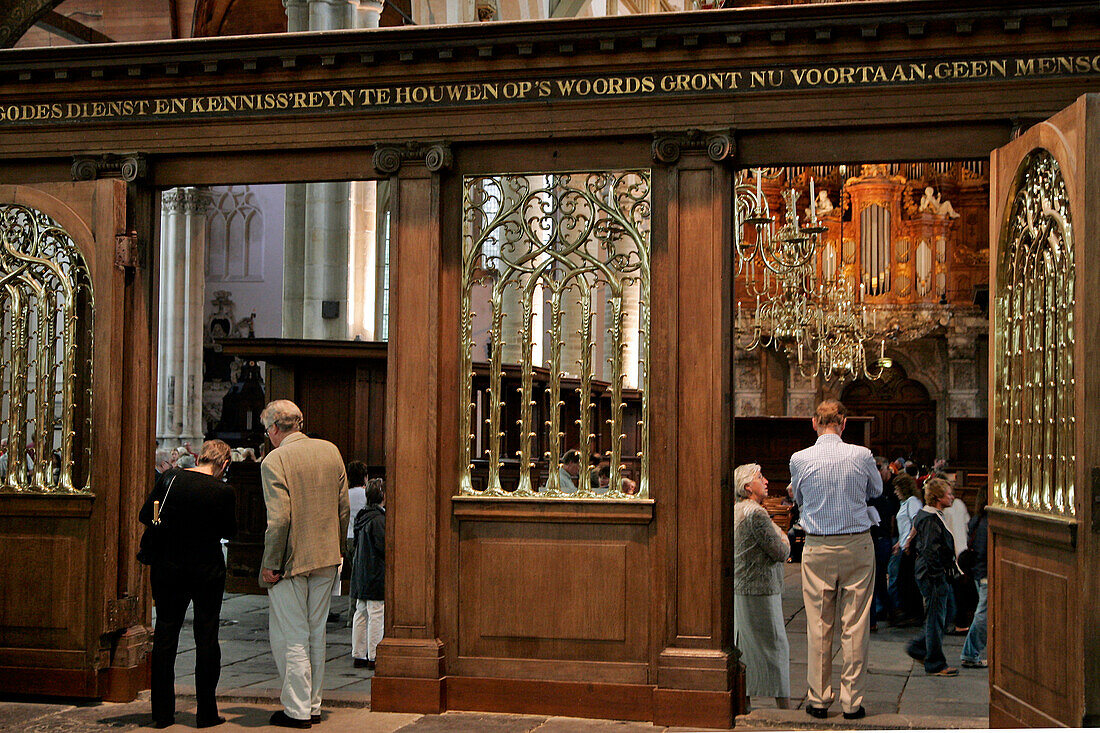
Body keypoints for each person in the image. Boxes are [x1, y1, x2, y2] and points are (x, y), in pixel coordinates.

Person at [259, 400, 350, 729]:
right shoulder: (330, 451)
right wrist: (338, 550)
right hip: (327, 557)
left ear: (273, 430)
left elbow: (279, 519)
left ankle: (296, 711)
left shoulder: (275, 459)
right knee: (316, 633)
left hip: (290, 560)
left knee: (292, 635)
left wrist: (271, 563)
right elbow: (343, 509)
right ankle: (312, 704)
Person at [790, 399, 882, 720]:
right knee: (855, 624)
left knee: (818, 624)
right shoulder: (861, 455)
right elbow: (877, 489)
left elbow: (798, 498)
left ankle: (818, 700)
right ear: (844, 424)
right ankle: (852, 703)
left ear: (814, 423)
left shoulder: (799, 459)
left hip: (817, 546)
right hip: (857, 544)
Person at [139, 439, 236, 729]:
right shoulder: (223, 491)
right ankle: (206, 713)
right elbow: (229, 530)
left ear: (201, 456)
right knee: (206, 637)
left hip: (167, 567)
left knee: (166, 635)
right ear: (225, 464)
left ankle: (162, 714)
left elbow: (147, 515)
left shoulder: (171, 479)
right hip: (206, 569)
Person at [733, 463, 791, 710]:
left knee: (745, 648)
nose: (766, 481)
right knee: (774, 647)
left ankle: (744, 701)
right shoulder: (755, 514)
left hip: (743, 588)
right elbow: (781, 551)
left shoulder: (737, 509)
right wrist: (785, 537)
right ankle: (784, 706)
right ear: (747, 486)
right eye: (760, 477)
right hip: (760, 591)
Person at [905, 477, 960, 677]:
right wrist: (937, 575)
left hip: (932, 574)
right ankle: (935, 662)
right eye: (948, 494)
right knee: (937, 618)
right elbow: (929, 550)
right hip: (932, 575)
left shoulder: (930, 515)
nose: (952, 497)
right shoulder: (930, 519)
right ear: (937, 498)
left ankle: (920, 648)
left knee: (944, 615)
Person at [350, 478, 385, 670]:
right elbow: (383, 547)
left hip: (361, 571)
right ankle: (374, 655)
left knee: (361, 612)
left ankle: (358, 654)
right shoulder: (379, 520)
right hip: (375, 572)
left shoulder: (362, 516)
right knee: (376, 613)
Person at [889, 472, 924, 625]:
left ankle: (914, 614)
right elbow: (904, 526)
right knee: (904, 581)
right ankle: (908, 612)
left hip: (910, 547)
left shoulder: (912, 501)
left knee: (908, 582)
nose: (895, 492)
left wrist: (909, 541)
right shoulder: (905, 503)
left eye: (897, 489)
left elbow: (916, 522)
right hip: (904, 545)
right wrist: (899, 543)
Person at [960, 486, 989, 669]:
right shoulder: (987, 523)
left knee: (984, 614)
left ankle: (972, 652)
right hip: (985, 572)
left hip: (978, 572)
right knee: (983, 616)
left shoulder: (977, 520)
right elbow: (985, 551)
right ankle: (970, 654)